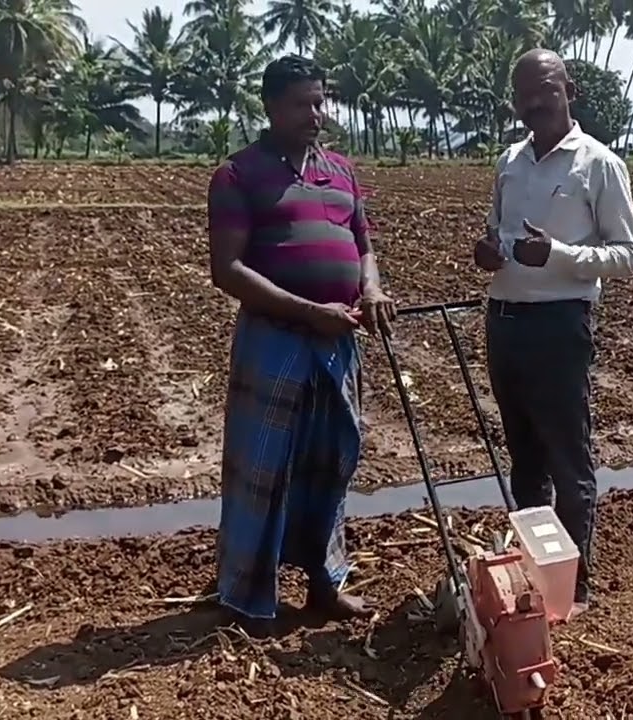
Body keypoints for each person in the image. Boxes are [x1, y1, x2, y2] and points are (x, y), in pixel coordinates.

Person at [206, 54, 395, 637]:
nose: (317, 113)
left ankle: (325, 584)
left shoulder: (340, 171)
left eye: (321, 101)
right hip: (276, 339)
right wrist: (309, 312)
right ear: (271, 107)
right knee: (263, 468)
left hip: (338, 342)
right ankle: (247, 596)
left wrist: (372, 288)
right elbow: (228, 270)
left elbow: (362, 245)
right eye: (303, 104)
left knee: (331, 463)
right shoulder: (239, 175)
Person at [474, 49, 633, 617]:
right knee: (524, 463)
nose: (535, 101)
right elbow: (495, 232)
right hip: (503, 322)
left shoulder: (598, 163)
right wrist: (489, 253)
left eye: (545, 88)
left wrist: (558, 254)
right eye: (523, 92)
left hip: (558, 325)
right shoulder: (510, 161)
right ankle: (534, 570)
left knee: (568, 464)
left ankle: (574, 589)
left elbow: (628, 256)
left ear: (570, 90)